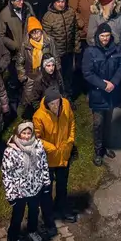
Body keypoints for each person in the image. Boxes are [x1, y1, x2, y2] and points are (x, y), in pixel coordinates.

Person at [82, 20, 121, 166]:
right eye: (102, 36)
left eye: (107, 35)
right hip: (98, 94)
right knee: (98, 123)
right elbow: (87, 73)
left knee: (108, 122)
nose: (105, 38)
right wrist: (103, 85)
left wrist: (113, 83)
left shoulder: (117, 49)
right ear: (98, 36)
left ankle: (106, 146)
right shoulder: (90, 51)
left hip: (111, 93)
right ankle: (98, 151)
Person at [32, 86, 77, 230]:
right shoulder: (39, 116)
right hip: (48, 158)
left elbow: (71, 122)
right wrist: (52, 148)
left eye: (57, 103)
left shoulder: (66, 105)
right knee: (47, 187)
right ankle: (48, 216)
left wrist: (70, 140)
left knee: (62, 184)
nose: (56, 106)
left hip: (64, 154)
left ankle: (61, 208)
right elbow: (37, 139)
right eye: (52, 104)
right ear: (47, 104)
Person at [2, 121, 49, 241]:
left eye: (29, 133)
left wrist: (45, 183)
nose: (27, 136)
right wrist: (10, 195)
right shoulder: (10, 151)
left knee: (34, 212)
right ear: (18, 134)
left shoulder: (38, 145)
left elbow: (44, 165)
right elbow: (7, 174)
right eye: (24, 133)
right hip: (19, 191)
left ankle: (32, 231)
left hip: (35, 187)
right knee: (17, 216)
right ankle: (13, 239)